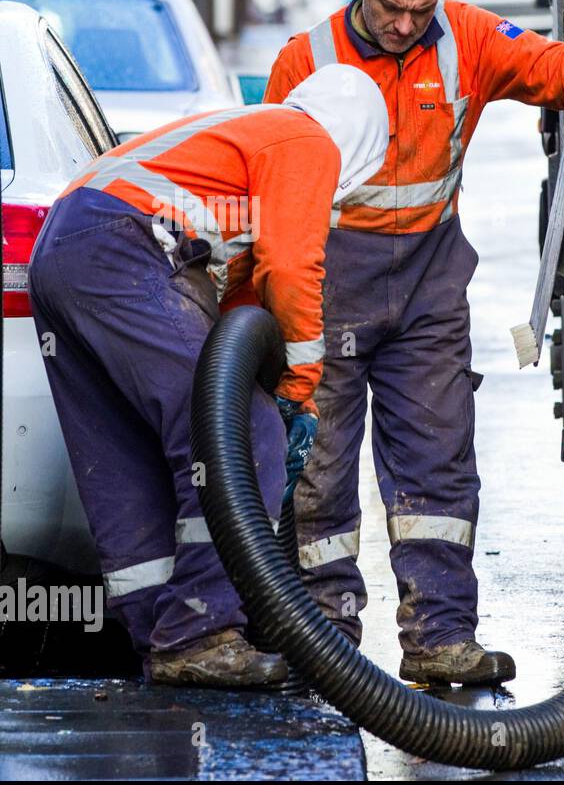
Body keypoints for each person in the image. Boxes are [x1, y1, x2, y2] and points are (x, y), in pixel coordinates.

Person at [264, 0, 564, 686]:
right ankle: (325, 634)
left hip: (427, 286)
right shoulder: (304, 63)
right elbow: (273, 188)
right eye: (390, 9)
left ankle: (441, 636)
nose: (406, 26)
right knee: (317, 466)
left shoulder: (466, 39)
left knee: (438, 464)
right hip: (327, 286)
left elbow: (551, 67)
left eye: (421, 11)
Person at [28, 65, 389, 686]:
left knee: (128, 455)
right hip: (126, 244)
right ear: (360, 147)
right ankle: (197, 631)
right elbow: (292, 268)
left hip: (63, 249)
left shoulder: (243, 142)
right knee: (239, 435)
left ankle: (159, 635)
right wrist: (296, 394)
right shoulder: (305, 139)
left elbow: (241, 306)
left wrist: (270, 382)